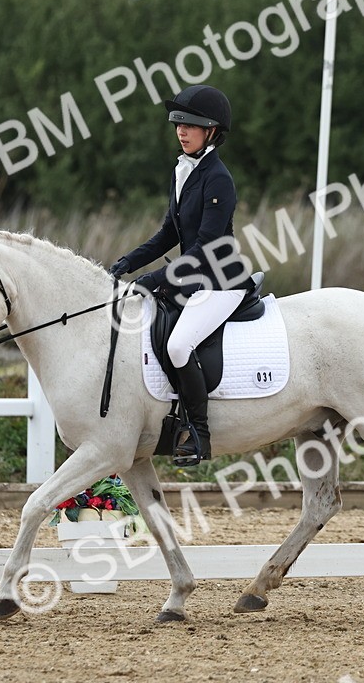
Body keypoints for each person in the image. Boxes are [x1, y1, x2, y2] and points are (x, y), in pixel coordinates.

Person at [108, 84, 249, 467]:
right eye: (178, 124)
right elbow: (169, 233)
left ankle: (198, 433)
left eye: (191, 125)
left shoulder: (219, 179)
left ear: (213, 132)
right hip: (194, 277)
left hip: (221, 280)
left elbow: (205, 245)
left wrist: (155, 280)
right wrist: (127, 262)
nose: (181, 131)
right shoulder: (182, 171)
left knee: (177, 346)